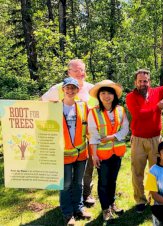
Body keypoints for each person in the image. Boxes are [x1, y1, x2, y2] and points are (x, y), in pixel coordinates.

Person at [42, 59, 97, 206]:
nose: (81, 73)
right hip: (64, 142)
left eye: (83, 70)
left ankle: (86, 194)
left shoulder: (92, 89)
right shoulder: (58, 88)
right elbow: (42, 103)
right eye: (77, 70)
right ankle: (70, 201)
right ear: (69, 72)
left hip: (86, 139)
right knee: (67, 176)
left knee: (87, 170)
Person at [126, 69, 163, 213]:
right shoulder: (130, 97)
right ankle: (140, 200)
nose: (143, 84)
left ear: (149, 81)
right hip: (138, 140)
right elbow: (139, 115)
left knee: (156, 171)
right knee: (137, 171)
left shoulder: (156, 92)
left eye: (145, 81)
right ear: (135, 82)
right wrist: (156, 108)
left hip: (156, 139)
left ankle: (155, 197)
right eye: (140, 81)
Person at [88, 80, 129, 221]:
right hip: (102, 154)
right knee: (104, 182)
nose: (106, 96)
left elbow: (125, 129)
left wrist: (112, 137)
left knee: (113, 181)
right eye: (103, 93)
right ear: (99, 96)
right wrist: (94, 155)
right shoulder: (93, 112)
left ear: (114, 95)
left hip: (117, 153)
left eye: (109, 93)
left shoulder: (120, 110)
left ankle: (112, 204)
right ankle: (105, 209)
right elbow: (92, 135)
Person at [60, 77, 91, 225]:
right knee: (65, 184)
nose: (70, 90)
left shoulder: (83, 106)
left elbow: (91, 127)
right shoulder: (54, 108)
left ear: (78, 90)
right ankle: (67, 213)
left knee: (78, 183)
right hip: (64, 154)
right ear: (63, 89)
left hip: (81, 153)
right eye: (68, 88)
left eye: (73, 88)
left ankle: (79, 208)